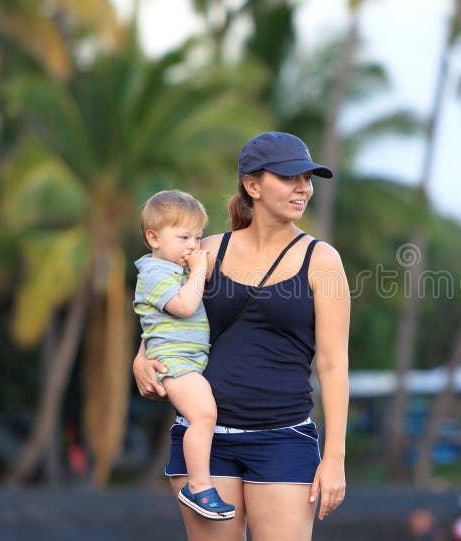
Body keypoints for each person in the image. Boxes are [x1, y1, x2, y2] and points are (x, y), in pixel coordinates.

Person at [133, 131, 350, 541]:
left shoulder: (322, 260)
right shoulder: (207, 251)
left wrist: (335, 456)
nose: (303, 188)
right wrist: (141, 356)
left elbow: (334, 363)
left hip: (283, 439)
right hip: (205, 444)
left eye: (307, 179)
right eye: (289, 178)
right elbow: (163, 310)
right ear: (253, 186)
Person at [134, 190, 235, 520]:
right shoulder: (153, 273)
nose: (194, 245)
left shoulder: (174, 268)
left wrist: (197, 269)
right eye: (183, 237)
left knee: (203, 415)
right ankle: (199, 486)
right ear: (153, 238)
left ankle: (199, 483)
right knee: (204, 416)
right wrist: (196, 271)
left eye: (198, 237)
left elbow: (202, 282)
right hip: (174, 362)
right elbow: (185, 305)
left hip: (190, 361)